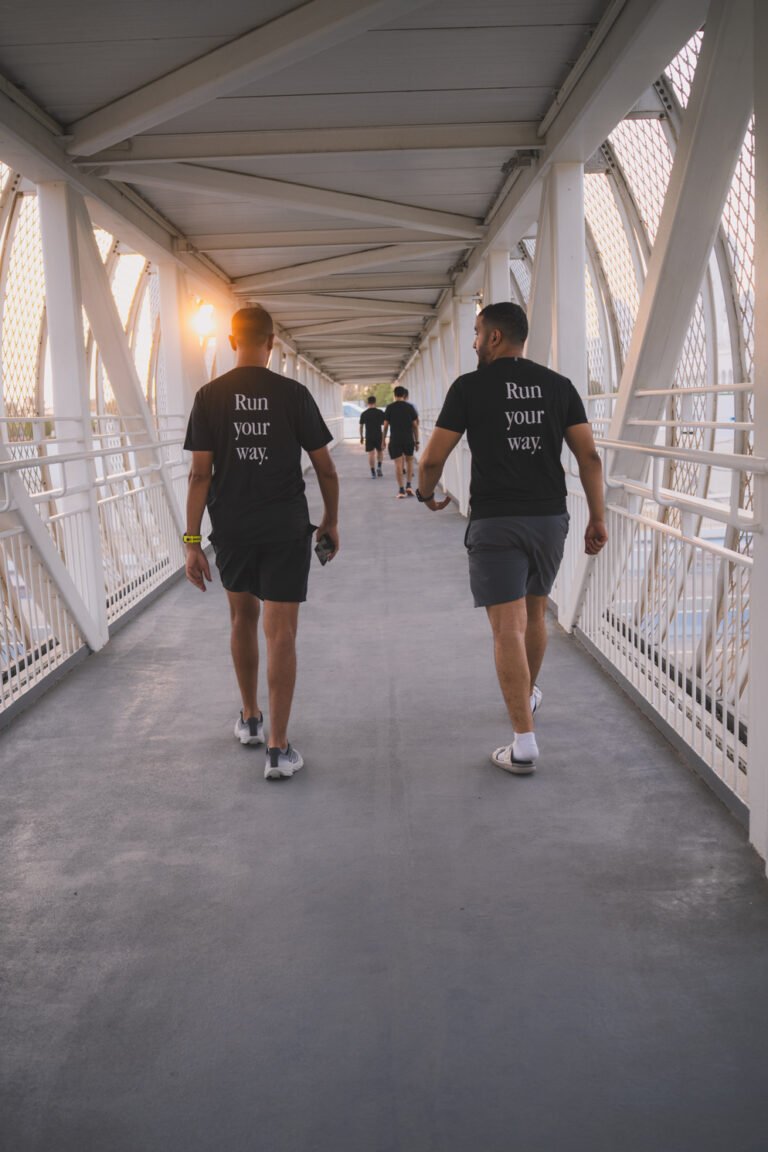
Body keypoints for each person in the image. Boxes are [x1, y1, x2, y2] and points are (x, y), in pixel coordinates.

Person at [417, 301, 607, 774]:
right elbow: (589, 457)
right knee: (535, 612)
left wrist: (425, 493)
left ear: (495, 337)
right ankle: (527, 696)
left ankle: (524, 742)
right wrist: (597, 517)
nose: (474, 342)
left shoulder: (469, 388)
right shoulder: (559, 386)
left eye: (477, 333)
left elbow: (433, 459)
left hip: (496, 521)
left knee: (507, 627)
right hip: (549, 518)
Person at [183, 305, 339, 780]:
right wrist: (330, 521)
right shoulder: (293, 394)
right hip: (286, 527)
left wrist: (192, 542)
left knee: (242, 618)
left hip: (232, 528)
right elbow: (325, 468)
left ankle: (251, 718)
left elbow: (199, 475)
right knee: (281, 632)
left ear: (232, 340)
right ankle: (278, 747)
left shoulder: (209, 396)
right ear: (271, 342)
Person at [382, 385, 419, 498]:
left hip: (395, 439)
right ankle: (409, 485)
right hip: (408, 439)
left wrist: (383, 440)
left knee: (398, 464)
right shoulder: (409, 407)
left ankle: (401, 490)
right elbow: (415, 426)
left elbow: (385, 426)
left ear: (394, 395)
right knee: (409, 462)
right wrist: (417, 441)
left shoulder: (390, 407)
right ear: (404, 395)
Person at [359, 395, 385, 477]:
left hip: (369, 436)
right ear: (375, 402)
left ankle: (373, 472)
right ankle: (379, 467)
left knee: (371, 454)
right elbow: (384, 424)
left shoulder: (364, 414)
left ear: (368, 403)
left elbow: (361, 426)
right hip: (378, 435)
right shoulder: (380, 412)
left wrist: (361, 436)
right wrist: (384, 438)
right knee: (380, 451)